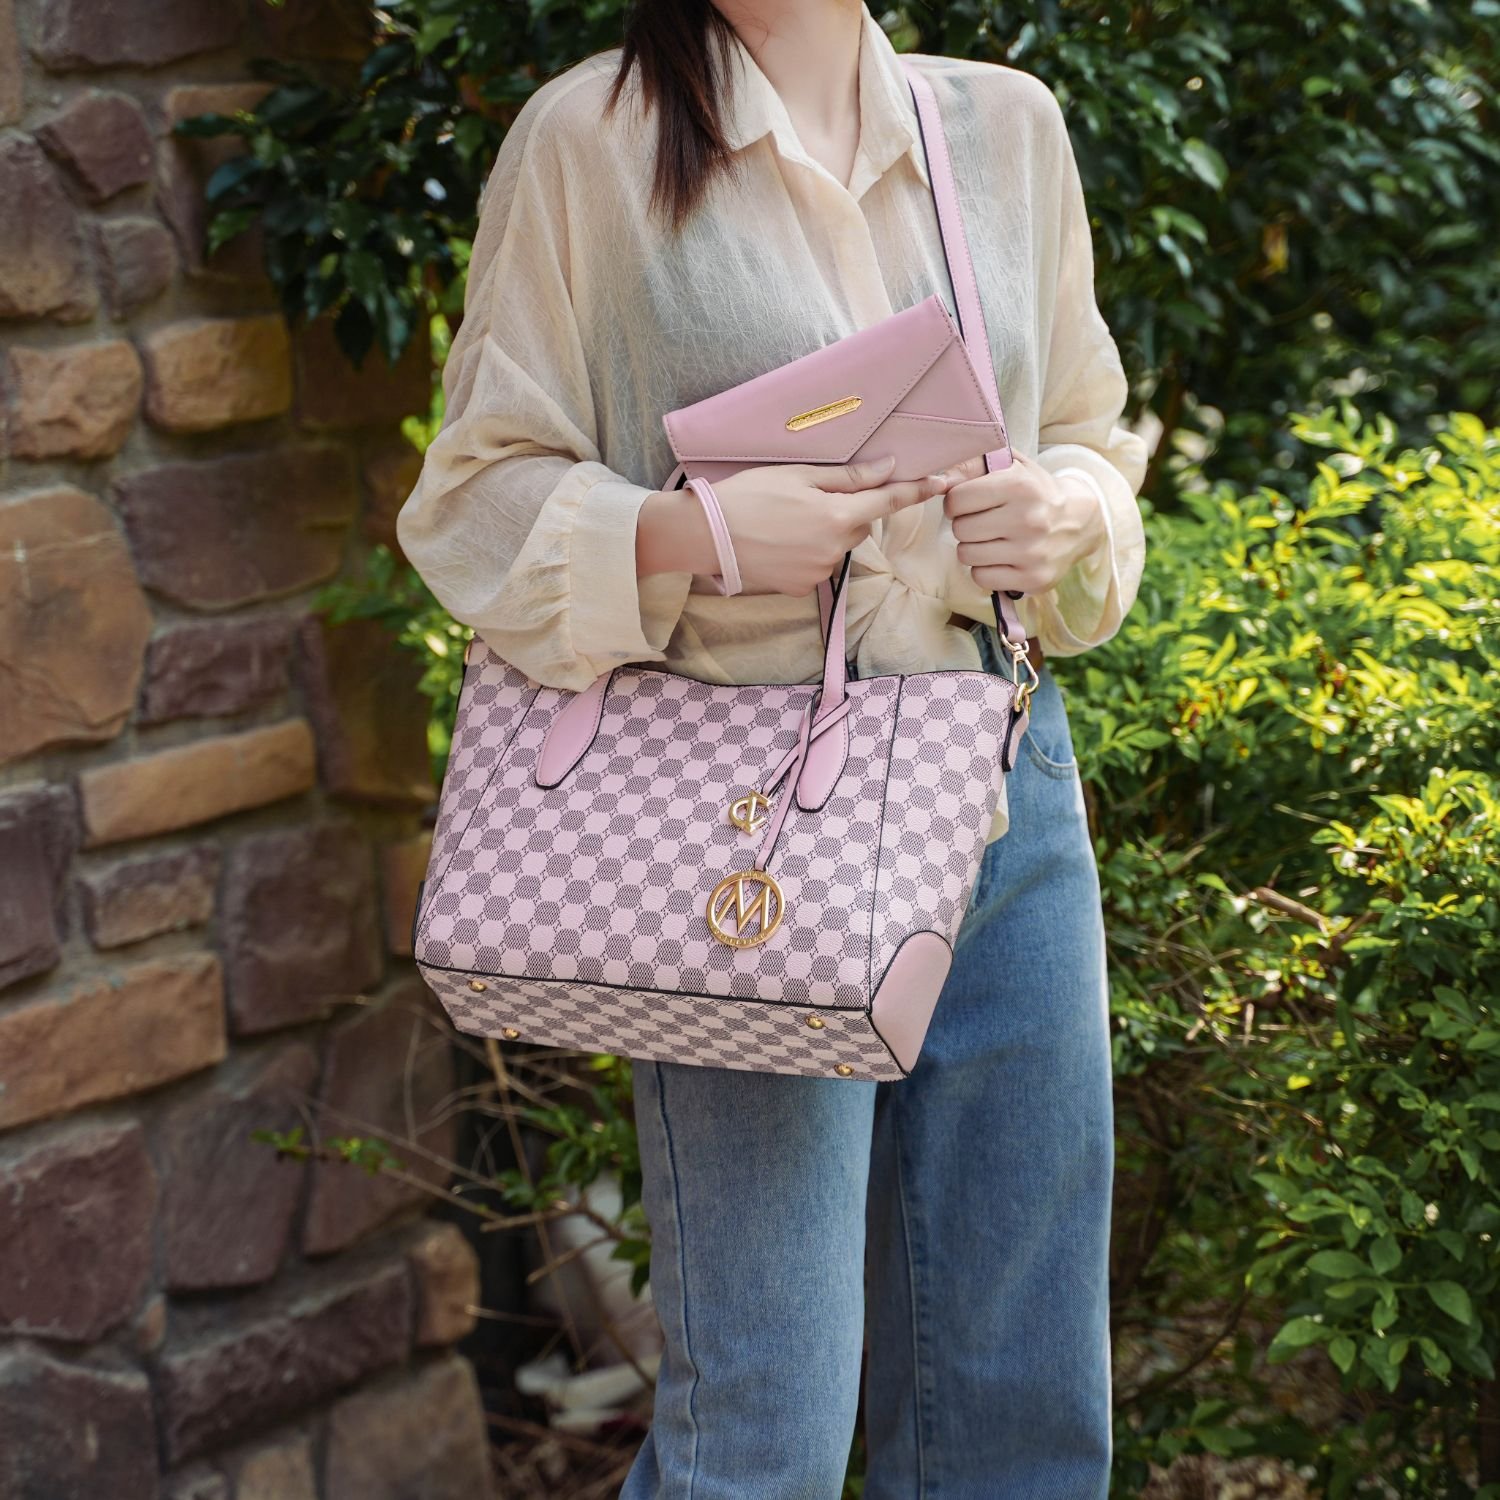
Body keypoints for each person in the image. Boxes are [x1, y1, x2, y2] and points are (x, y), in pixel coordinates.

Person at [397, 0, 1148, 1493]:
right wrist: (702, 534)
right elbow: (471, 499)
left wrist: (1069, 509)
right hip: (744, 821)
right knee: (767, 1437)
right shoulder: (591, 140)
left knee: (1023, 1407)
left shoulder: (1002, 127)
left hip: (999, 783)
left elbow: (1087, 427)